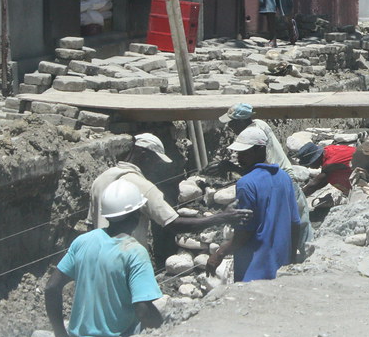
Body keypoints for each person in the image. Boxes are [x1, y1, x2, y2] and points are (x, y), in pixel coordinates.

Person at [46, 180, 163, 337]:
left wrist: (62, 336)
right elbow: (143, 309)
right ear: (137, 214)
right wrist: (164, 332)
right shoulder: (134, 252)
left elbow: (51, 287)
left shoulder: (82, 242)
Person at [87, 133, 247, 251]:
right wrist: (221, 217)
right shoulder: (143, 186)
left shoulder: (100, 179)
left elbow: (90, 225)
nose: (156, 167)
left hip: (98, 257)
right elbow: (174, 224)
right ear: (144, 155)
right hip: (128, 258)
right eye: (155, 161)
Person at [206, 125, 301, 282]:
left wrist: (219, 253)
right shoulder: (284, 177)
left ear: (260, 149)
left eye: (244, 152)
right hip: (280, 266)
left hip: (255, 269)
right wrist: (291, 258)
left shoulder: (246, 183)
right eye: (238, 153)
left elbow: (245, 232)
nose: (239, 157)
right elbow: (295, 222)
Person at [219, 102, 313, 260]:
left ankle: (303, 259)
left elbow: (261, 170)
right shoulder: (259, 124)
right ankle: (302, 257)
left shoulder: (254, 137)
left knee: (291, 225)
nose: (230, 127)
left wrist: (233, 168)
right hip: (284, 177)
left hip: (280, 180)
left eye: (232, 122)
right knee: (298, 222)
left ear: (242, 121)